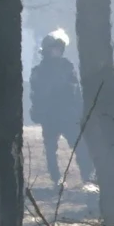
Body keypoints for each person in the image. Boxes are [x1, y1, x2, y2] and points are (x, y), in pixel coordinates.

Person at [29, 29, 95, 186]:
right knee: (51, 149)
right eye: (54, 48)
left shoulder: (67, 66)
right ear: (46, 50)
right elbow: (37, 94)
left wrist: (80, 110)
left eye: (59, 48)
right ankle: (57, 179)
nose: (57, 51)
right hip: (50, 116)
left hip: (68, 115)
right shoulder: (39, 71)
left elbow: (75, 90)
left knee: (80, 146)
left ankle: (87, 178)